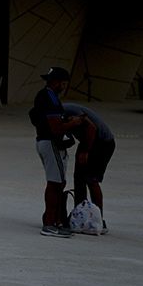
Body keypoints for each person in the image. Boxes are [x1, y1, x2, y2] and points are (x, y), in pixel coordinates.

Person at [27, 67, 87, 237]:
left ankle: (51, 218)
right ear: (58, 82)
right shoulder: (50, 98)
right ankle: (50, 224)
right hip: (51, 143)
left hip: (44, 142)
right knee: (56, 183)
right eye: (64, 83)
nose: (64, 86)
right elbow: (55, 127)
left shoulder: (44, 95)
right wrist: (74, 122)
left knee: (56, 182)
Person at [61, 101, 115, 233]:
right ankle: (80, 215)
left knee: (91, 179)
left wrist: (85, 151)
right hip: (88, 140)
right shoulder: (60, 112)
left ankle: (98, 219)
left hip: (102, 142)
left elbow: (91, 128)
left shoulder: (66, 111)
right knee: (79, 178)